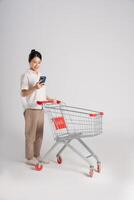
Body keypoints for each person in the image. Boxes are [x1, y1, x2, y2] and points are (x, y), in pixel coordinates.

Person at [20, 49, 53, 166]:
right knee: (30, 134)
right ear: (29, 62)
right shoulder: (26, 75)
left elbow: (40, 93)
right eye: (34, 62)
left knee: (39, 134)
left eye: (39, 62)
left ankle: (37, 155)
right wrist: (34, 87)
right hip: (31, 109)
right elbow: (23, 93)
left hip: (41, 108)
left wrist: (49, 99)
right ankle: (29, 158)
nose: (36, 64)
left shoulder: (40, 75)